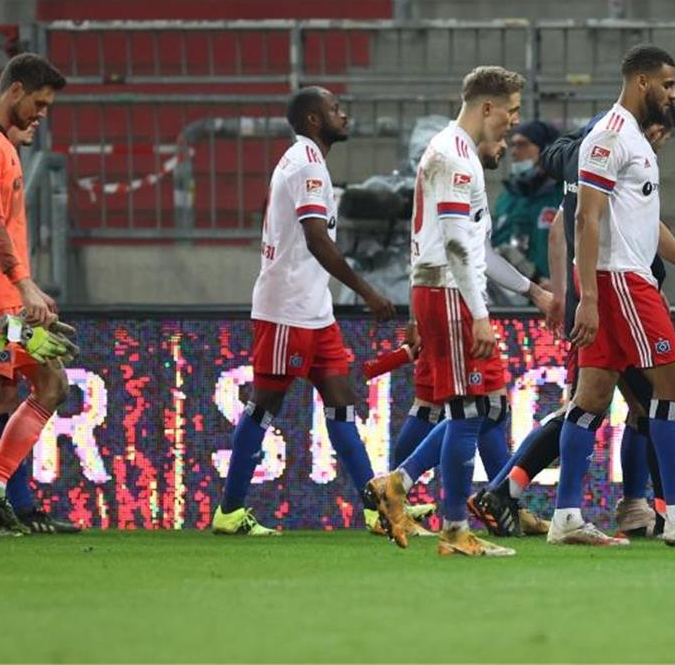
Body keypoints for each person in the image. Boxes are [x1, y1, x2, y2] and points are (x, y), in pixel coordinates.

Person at [553, 44, 675, 547]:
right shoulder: (609, 138)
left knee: (591, 397)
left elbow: (645, 221)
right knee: (673, 387)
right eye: (668, 84)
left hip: (620, 278)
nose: (673, 93)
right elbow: (584, 217)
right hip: (620, 282)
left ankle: (566, 516)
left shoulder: (633, 140)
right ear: (642, 82)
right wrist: (589, 297)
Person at [365, 66, 552, 558]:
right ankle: (450, 526)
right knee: (468, 409)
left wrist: (534, 292)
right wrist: (479, 312)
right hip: (450, 295)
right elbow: (453, 243)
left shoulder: (454, 152)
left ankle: (416, 487)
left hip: (441, 291)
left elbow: (471, 246)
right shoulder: (455, 158)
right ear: (486, 107)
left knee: (487, 405)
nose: (513, 122)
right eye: (510, 112)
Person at [213, 87, 396, 536]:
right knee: (264, 405)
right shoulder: (308, 164)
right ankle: (230, 511)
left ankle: (375, 510)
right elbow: (316, 239)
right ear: (314, 120)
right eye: (335, 109)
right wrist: (367, 291)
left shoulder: (301, 161)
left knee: (341, 405)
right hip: (287, 310)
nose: (344, 114)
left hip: (316, 310)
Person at [0, 82, 79, 534]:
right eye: (37, 104)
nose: (40, 115)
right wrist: (21, 287)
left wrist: (28, 294)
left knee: (51, 381)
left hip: (12, 304)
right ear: (14, 91)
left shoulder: (4, 148)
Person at [490, 120, 562, 290]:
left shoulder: (564, 194)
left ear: (545, 149)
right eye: (513, 145)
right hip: (509, 299)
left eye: (522, 145)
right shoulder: (508, 196)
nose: (514, 152)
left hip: (557, 294)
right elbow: (494, 243)